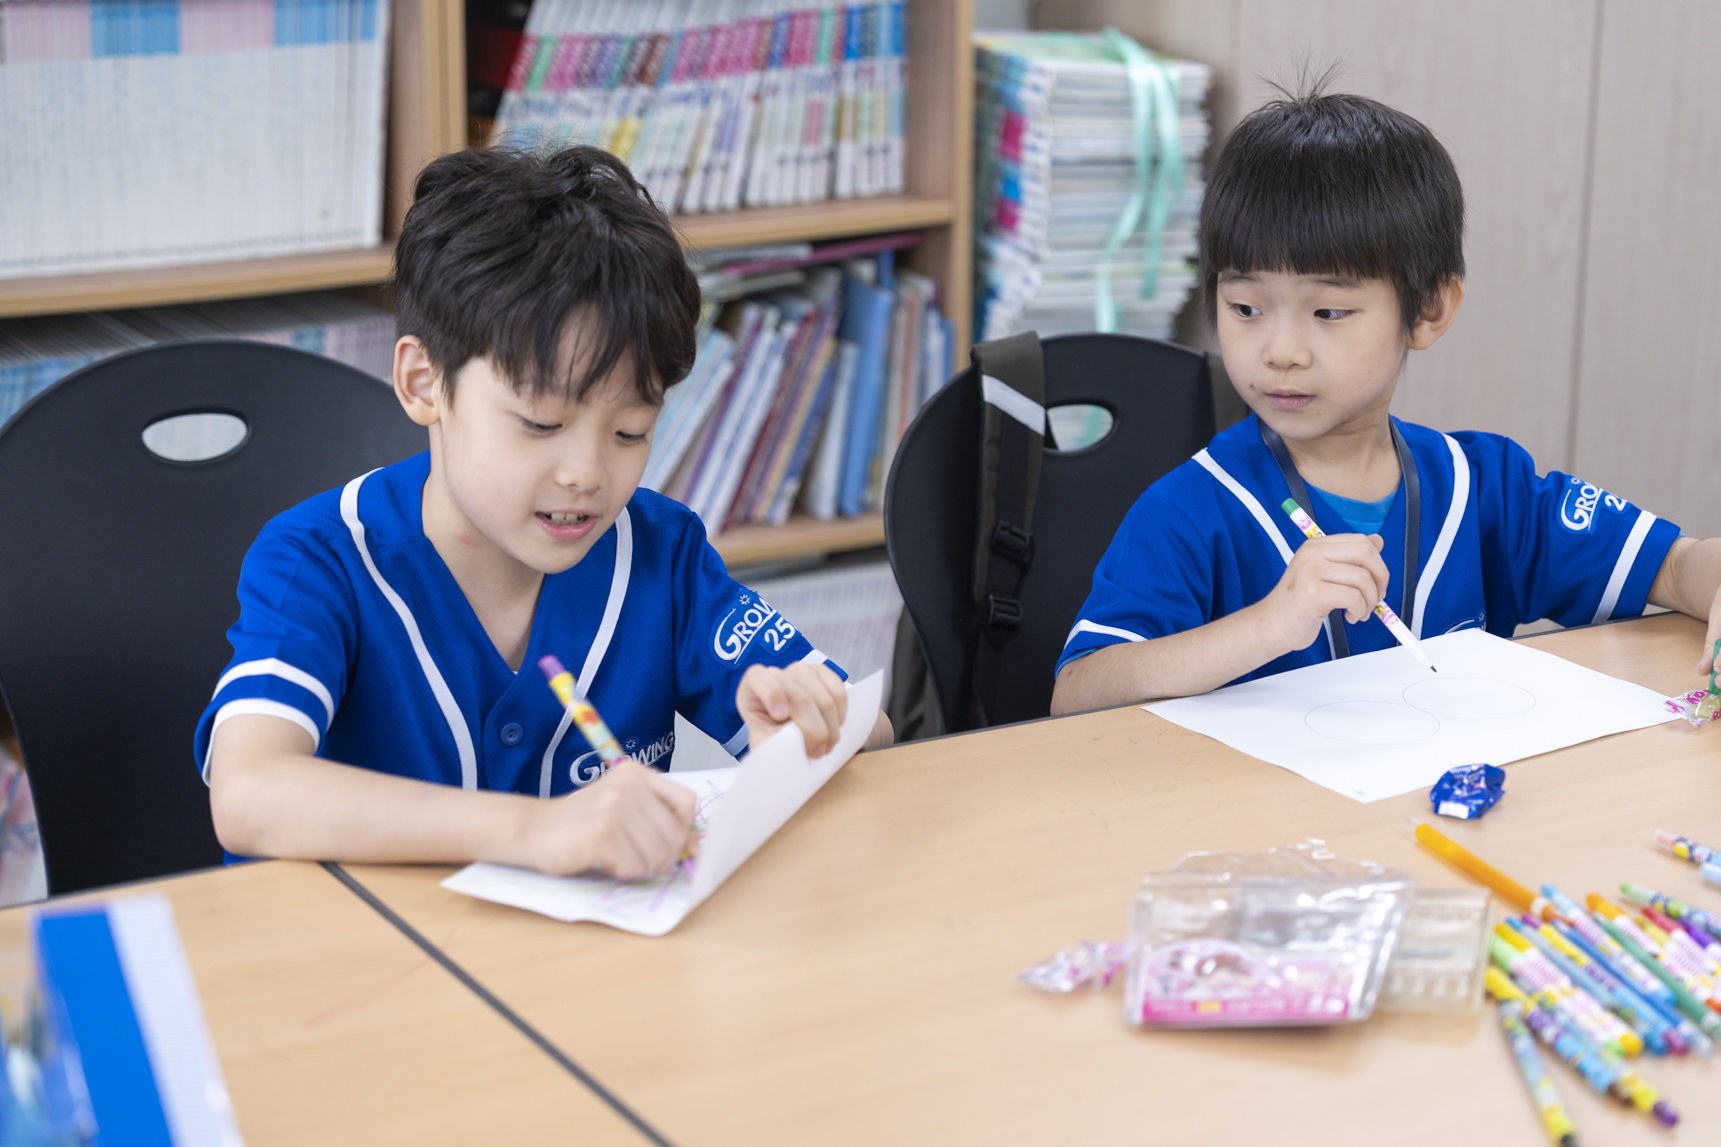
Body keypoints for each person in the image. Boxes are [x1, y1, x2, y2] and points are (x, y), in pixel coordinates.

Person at [199, 146, 892, 879]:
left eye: (630, 432)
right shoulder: (319, 560)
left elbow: (870, 731)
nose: (586, 474)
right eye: (540, 422)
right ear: (424, 383)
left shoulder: (662, 556)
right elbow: (248, 794)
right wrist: (538, 830)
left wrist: (804, 737)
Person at [1051, 87, 1721, 713]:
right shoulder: (1191, 510)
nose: (1280, 351)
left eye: (1328, 312)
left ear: (1428, 309)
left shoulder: (1487, 489)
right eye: (1246, 307)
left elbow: (1676, 565)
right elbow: (1078, 693)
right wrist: (1267, 624)